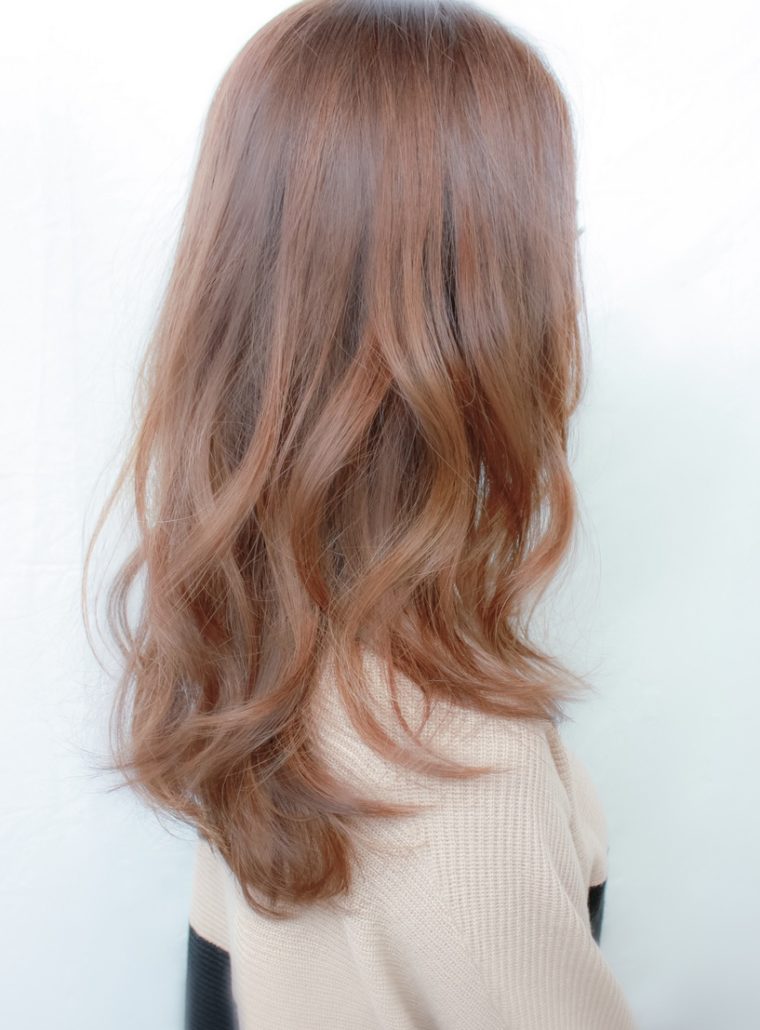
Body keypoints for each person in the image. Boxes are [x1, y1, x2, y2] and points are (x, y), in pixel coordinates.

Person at [83, 0, 639, 1026]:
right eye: (548, 232)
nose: (570, 257)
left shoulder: (265, 674)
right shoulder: (455, 763)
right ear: (468, 308)